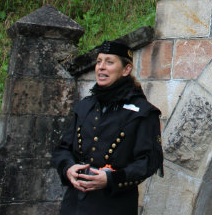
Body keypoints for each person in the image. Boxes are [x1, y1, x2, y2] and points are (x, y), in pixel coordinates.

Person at [52, 39, 163, 215]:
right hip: (74, 206)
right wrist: (68, 168)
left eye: (109, 62)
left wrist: (111, 179)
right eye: (99, 61)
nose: (101, 67)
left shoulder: (142, 112)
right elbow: (62, 149)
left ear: (126, 69)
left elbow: (148, 162)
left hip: (114, 206)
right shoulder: (84, 106)